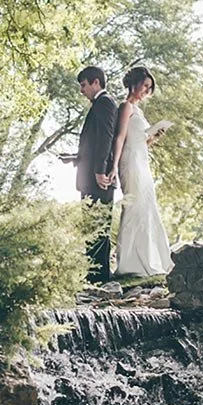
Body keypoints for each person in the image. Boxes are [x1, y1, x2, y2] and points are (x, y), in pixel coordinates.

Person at [104, 66, 174, 277]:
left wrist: (154, 137)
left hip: (142, 161)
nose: (146, 91)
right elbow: (120, 138)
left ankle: (147, 259)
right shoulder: (126, 107)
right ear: (133, 83)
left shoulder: (140, 112)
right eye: (144, 86)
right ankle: (127, 263)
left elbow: (140, 141)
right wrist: (114, 166)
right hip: (130, 162)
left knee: (146, 207)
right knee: (133, 207)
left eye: (149, 88)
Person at [70, 65, 118, 282]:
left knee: (98, 226)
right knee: (91, 226)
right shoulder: (99, 105)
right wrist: (74, 158)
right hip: (91, 177)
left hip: (98, 179)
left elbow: (106, 138)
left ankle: (99, 277)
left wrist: (100, 171)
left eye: (83, 85)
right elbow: (93, 143)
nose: (82, 90)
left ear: (95, 82)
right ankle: (94, 275)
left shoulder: (105, 103)